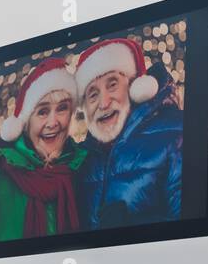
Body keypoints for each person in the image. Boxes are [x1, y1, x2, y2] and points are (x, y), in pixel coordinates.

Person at [0, 58, 85, 243]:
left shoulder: (83, 172)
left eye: (62, 109)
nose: (53, 122)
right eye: (42, 112)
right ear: (26, 123)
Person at [74, 37, 182, 228]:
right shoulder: (83, 159)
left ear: (136, 87)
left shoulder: (176, 134)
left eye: (112, 84)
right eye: (92, 94)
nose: (104, 102)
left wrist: (132, 229)